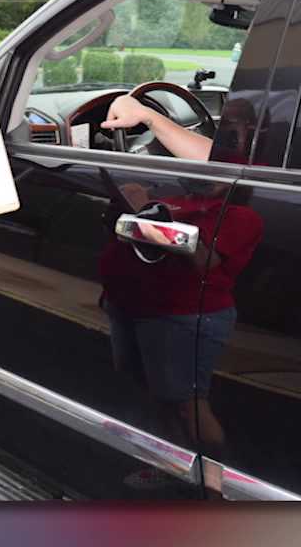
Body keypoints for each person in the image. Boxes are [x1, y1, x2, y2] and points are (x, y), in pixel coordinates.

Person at [99, 96, 263, 489]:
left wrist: (145, 210)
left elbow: (201, 260)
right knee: (156, 391)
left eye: (239, 125)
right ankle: (172, 465)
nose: (226, 131)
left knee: (189, 405)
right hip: (130, 306)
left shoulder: (241, 214)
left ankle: (212, 487)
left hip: (181, 314)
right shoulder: (189, 197)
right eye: (225, 121)